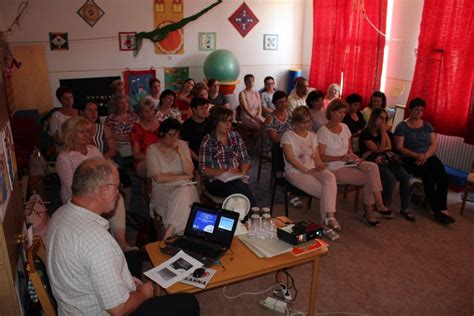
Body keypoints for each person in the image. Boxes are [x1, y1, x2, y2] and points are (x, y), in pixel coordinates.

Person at [47, 157, 200, 315]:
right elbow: (119, 309)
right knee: (188, 302)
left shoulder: (61, 213)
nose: (119, 194)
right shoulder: (97, 242)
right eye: (117, 187)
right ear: (104, 190)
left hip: (74, 302)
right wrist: (144, 292)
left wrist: (124, 281)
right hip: (106, 311)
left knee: (133, 256)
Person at [55, 117, 134, 251]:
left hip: (98, 192)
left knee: (117, 196)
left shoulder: (93, 150)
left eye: (88, 131)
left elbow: (106, 172)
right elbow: (71, 186)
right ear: (71, 134)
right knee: (107, 197)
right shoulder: (64, 157)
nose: (87, 135)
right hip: (77, 198)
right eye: (82, 132)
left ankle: (121, 241)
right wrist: (98, 193)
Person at [317, 99, 393, 227]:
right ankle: (371, 211)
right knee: (369, 178)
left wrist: (354, 157)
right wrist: (341, 158)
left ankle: (378, 204)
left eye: (344, 112)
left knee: (372, 167)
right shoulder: (323, 132)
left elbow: (350, 149)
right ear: (331, 112)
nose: (343, 115)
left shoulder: (345, 127)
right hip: (334, 167)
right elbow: (321, 157)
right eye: (340, 112)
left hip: (348, 161)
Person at [281, 106, 340, 240]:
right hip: (296, 172)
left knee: (330, 177)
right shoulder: (288, 136)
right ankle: (326, 225)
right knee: (325, 191)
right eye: (302, 122)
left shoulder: (313, 136)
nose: (306, 125)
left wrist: (320, 165)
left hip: (313, 169)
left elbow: (317, 158)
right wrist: (307, 171)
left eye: (308, 121)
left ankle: (329, 217)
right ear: (295, 122)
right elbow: (290, 159)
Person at [394, 98, 455, 224]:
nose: (419, 112)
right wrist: (417, 156)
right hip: (410, 158)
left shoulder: (427, 126)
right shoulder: (402, 126)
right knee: (429, 177)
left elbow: (433, 144)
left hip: (427, 156)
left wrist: (425, 156)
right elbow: (400, 147)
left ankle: (442, 207)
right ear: (410, 110)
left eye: (421, 110)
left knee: (443, 177)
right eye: (416, 110)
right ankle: (435, 209)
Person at [147, 118, 200, 239]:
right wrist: (182, 177)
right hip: (163, 189)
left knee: (185, 190)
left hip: (184, 186)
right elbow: (158, 178)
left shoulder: (182, 145)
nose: (173, 138)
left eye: (176, 135)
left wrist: (180, 152)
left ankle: (171, 229)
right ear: (162, 134)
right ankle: (184, 234)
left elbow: (189, 172)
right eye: (170, 135)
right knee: (186, 192)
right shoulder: (152, 150)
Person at [359, 108, 415, 222]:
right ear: (374, 118)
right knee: (390, 178)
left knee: (404, 176)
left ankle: (405, 208)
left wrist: (383, 133)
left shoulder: (383, 132)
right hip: (372, 161)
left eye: (385, 118)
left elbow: (389, 147)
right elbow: (378, 149)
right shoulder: (366, 133)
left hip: (386, 159)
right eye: (381, 118)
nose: (383, 121)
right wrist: (384, 133)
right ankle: (381, 206)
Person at [199, 107, 256, 206]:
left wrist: (242, 172)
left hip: (235, 179)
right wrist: (225, 171)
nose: (228, 124)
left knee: (239, 190)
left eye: (230, 121)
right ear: (216, 122)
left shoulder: (235, 136)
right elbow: (204, 169)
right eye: (224, 121)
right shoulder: (208, 140)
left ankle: (248, 216)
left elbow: (245, 159)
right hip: (215, 182)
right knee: (241, 191)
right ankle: (254, 214)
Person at [264, 91, 302, 208]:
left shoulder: (290, 115)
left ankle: (299, 182)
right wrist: (289, 138)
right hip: (275, 148)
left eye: (285, 101)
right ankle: (288, 190)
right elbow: (275, 139)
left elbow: (297, 131)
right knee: (284, 154)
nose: (283, 104)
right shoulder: (271, 118)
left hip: (289, 146)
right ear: (274, 104)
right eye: (280, 102)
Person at [105, 94, 139, 167]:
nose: (124, 105)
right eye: (121, 103)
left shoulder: (135, 117)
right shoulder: (111, 118)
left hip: (133, 147)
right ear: (116, 105)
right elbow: (109, 133)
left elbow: (138, 132)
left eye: (126, 102)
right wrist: (125, 139)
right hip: (118, 148)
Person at [130, 96, 159, 178]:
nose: (149, 114)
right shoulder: (136, 128)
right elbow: (136, 155)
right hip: (143, 161)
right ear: (141, 113)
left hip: (162, 159)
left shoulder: (162, 125)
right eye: (146, 111)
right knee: (155, 166)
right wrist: (153, 157)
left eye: (151, 110)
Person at [181, 97, 212, 168]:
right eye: (201, 108)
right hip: (193, 157)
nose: (205, 111)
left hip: (210, 155)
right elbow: (184, 146)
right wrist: (199, 159)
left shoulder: (210, 121)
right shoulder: (187, 124)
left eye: (206, 108)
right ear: (194, 110)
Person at [238, 74, 264, 152]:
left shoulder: (257, 93)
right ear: (245, 82)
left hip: (257, 115)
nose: (251, 83)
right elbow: (245, 109)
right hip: (247, 116)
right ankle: (253, 144)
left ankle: (258, 144)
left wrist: (259, 115)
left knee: (268, 125)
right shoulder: (242, 93)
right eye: (248, 81)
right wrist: (254, 117)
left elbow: (260, 107)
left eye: (252, 81)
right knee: (260, 128)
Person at [49, 86, 79, 153]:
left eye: (71, 97)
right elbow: (54, 137)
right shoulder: (56, 116)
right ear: (60, 100)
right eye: (65, 98)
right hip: (65, 149)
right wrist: (71, 142)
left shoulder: (79, 113)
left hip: (80, 146)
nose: (69, 100)